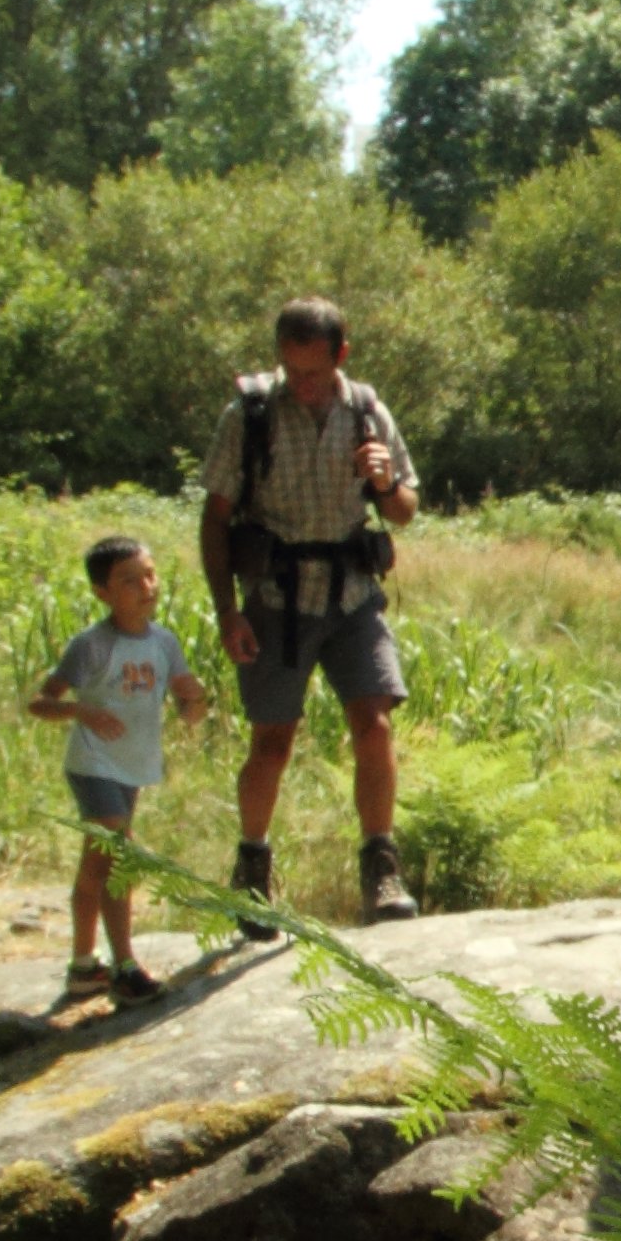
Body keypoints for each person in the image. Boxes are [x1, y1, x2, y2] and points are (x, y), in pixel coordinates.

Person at [200, 293, 424, 923]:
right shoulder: (249, 415)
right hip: (276, 597)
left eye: (313, 372)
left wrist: (384, 482)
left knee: (374, 725)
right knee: (272, 741)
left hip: (352, 593)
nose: (299, 384)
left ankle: (381, 869)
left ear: (341, 355)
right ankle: (251, 873)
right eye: (290, 369)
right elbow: (215, 518)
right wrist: (227, 612)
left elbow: (405, 510)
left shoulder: (367, 412)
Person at [30, 531, 205, 1002]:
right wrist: (80, 711)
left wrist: (194, 702)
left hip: (132, 765)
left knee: (98, 863)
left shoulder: (164, 642)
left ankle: (84, 966)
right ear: (102, 592)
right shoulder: (91, 645)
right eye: (129, 580)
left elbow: (190, 706)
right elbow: (40, 702)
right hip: (93, 763)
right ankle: (125, 967)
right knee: (118, 859)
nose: (146, 586)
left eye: (150, 575)